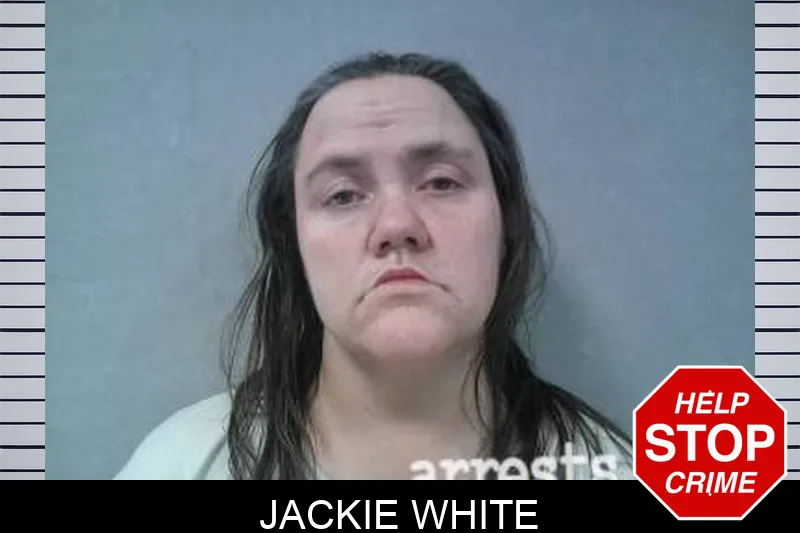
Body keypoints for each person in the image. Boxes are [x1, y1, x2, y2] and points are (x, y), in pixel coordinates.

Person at [115, 51, 633, 480]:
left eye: (442, 182)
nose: (397, 225)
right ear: (294, 244)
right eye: (342, 195)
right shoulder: (178, 464)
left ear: (506, 226)